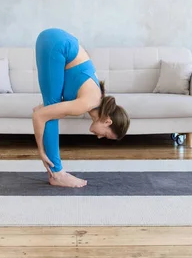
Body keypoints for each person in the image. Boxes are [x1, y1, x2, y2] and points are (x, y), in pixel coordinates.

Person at [32, 28, 130, 188]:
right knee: (50, 113)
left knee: (51, 109)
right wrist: (41, 151)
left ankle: (57, 173)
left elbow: (43, 110)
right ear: (108, 121)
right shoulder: (87, 102)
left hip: (56, 40)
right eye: (105, 135)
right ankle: (57, 174)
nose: (99, 137)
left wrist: (44, 111)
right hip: (56, 44)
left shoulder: (93, 98)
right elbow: (39, 116)